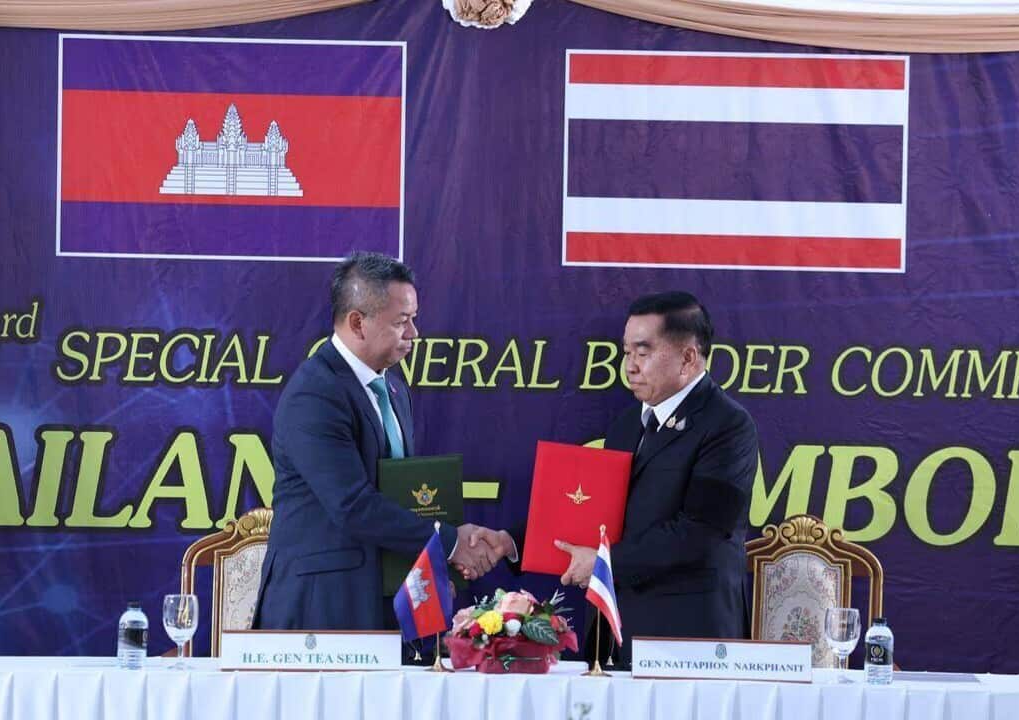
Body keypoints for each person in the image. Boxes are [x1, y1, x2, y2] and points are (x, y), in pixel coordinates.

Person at [473, 291, 758, 665]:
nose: (630, 366)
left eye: (643, 352)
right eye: (626, 352)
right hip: (617, 631)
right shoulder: (627, 425)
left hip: (689, 633)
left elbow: (701, 533)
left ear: (688, 357)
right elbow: (594, 512)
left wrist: (604, 563)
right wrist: (513, 542)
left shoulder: (728, 426)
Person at [253, 252, 499, 631]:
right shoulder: (315, 394)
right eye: (403, 322)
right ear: (357, 323)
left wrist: (429, 566)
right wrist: (448, 543)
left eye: (414, 319)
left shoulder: (394, 389)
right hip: (322, 609)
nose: (415, 333)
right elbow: (352, 504)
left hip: (381, 602)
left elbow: (399, 497)